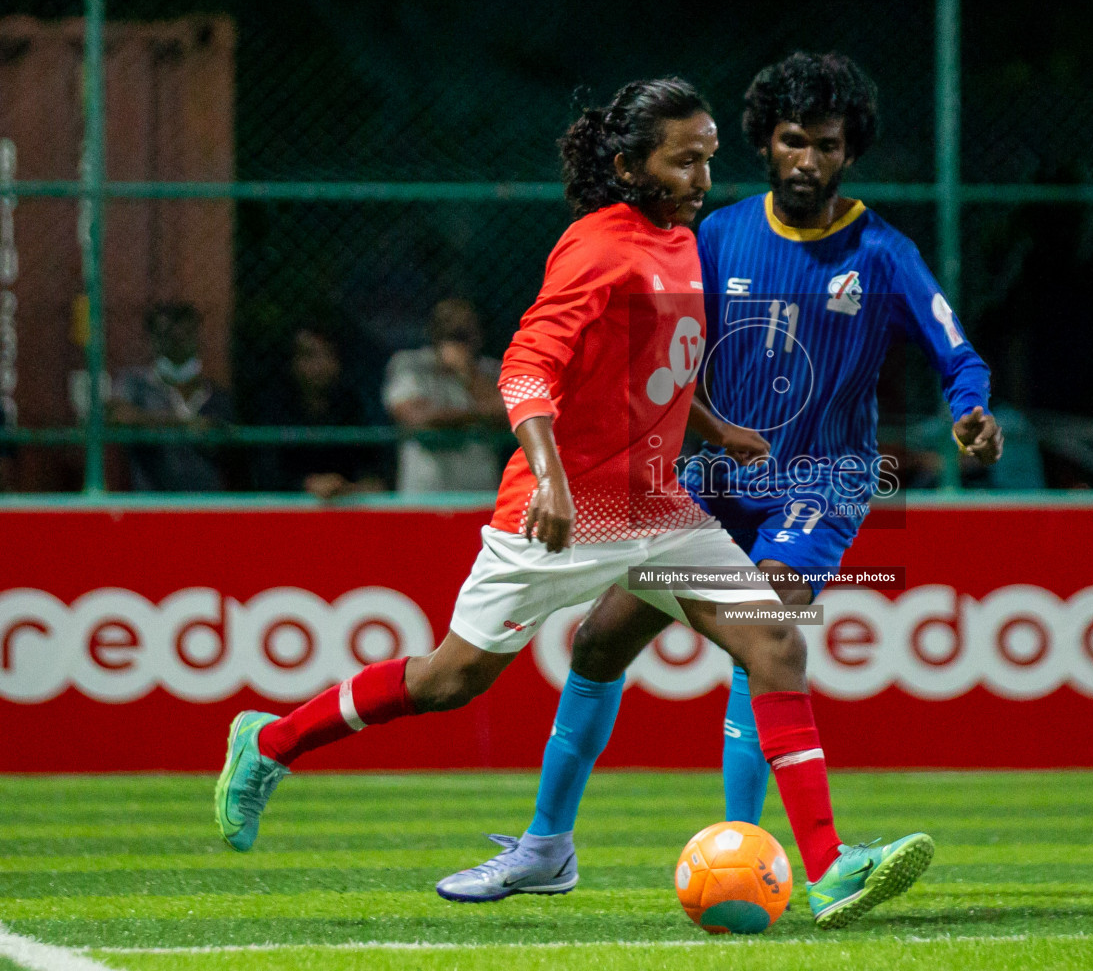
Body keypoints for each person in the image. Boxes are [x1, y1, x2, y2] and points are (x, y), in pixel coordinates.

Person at [214, 76, 933, 931]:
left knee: (774, 642)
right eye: (685, 162)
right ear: (631, 165)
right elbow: (526, 368)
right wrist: (552, 481)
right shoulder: (598, 247)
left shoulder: (678, 240)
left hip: (660, 506)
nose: (704, 179)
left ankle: (829, 870)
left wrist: (712, 423)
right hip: (562, 511)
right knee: (450, 681)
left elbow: (650, 360)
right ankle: (269, 744)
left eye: (709, 159)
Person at [434, 53, 991, 909]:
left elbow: (954, 346)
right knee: (597, 643)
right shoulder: (714, 236)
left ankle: (763, 856)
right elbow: (653, 354)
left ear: (852, 152)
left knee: (759, 633)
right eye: (792, 140)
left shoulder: (882, 251)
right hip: (708, 480)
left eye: (828, 145)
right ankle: (545, 845)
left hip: (825, 480)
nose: (809, 160)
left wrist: (971, 409)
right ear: (765, 144)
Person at [248, 322, 389, 499]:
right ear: (293, 362)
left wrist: (354, 487)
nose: (320, 364)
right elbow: (266, 474)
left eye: (328, 354)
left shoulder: (350, 407)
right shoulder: (274, 408)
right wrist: (308, 485)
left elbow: (370, 470)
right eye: (309, 355)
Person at [383, 298, 504, 495]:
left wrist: (467, 374)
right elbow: (416, 418)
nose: (456, 339)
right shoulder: (409, 365)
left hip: (479, 492)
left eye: (463, 333)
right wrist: (478, 415)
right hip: (423, 494)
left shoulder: (491, 370)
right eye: (449, 332)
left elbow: (510, 414)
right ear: (433, 334)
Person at [110, 302, 233, 492]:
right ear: (152, 340)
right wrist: (181, 422)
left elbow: (224, 443)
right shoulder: (135, 384)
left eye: (185, 334)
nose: (178, 341)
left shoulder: (216, 396)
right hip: (152, 506)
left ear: (198, 338)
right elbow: (118, 416)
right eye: (168, 335)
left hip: (204, 507)